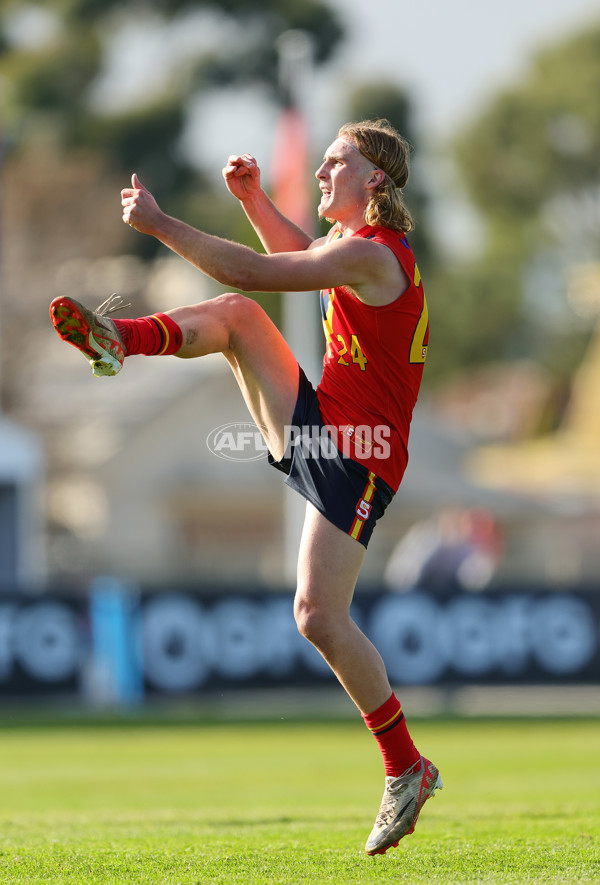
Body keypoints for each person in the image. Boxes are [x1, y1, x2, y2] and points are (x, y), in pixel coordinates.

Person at [50, 118, 442, 855]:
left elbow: (258, 273)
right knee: (237, 319)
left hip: (362, 454)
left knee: (319, 616)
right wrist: (256, 200)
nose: (324, 171)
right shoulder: (352, 252)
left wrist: (161, 223)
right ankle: (120, 341)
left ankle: (406, 766)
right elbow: (296, 258)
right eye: (322, 160)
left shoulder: (375, 254)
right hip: (332, 429)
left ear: (376, 182)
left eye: (337, 162)